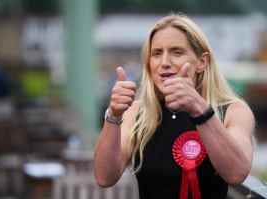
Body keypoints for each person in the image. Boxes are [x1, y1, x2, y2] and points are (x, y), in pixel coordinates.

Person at [94, 14, 255, 199]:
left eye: (177, 52)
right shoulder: (136, 112)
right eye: (156, 54)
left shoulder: (234, 111)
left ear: (202, 62)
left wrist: (199, 109)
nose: (164, 63)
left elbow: (237, 174)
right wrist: (113, 115)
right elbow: (104, 177)